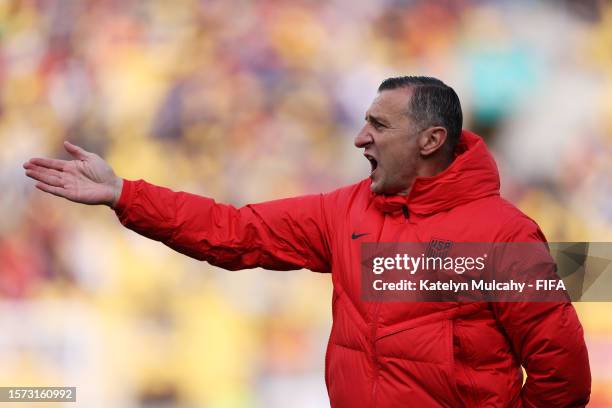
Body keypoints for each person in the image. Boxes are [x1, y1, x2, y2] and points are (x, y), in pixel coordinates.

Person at [24, 76, 590, 407]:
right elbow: (233, 231)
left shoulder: (503, 235)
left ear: (431, 140)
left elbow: (561, 375)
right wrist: (125, 193)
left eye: (379, 125)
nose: (359, 136)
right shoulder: (344, 211)